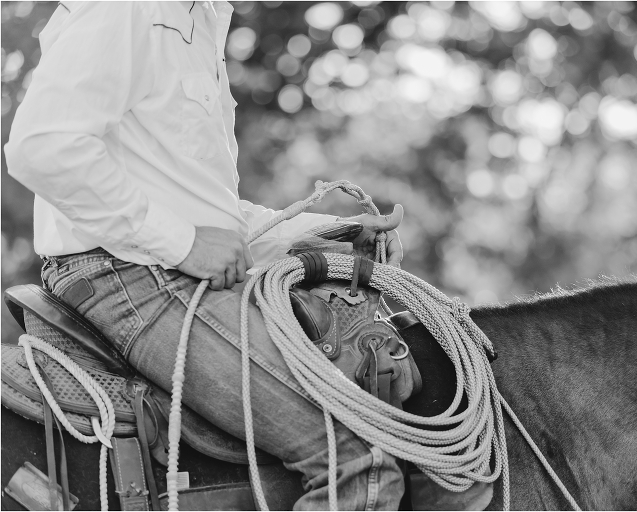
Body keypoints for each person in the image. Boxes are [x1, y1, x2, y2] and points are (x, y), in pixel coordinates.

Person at [5, 2, 407, 509]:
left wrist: (331, 231)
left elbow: (208, 216)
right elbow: (42, 146)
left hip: (150, 272)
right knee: (358, 461)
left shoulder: (201, 22)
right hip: (131, 279)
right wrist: (185, 244)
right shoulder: (131, 7)